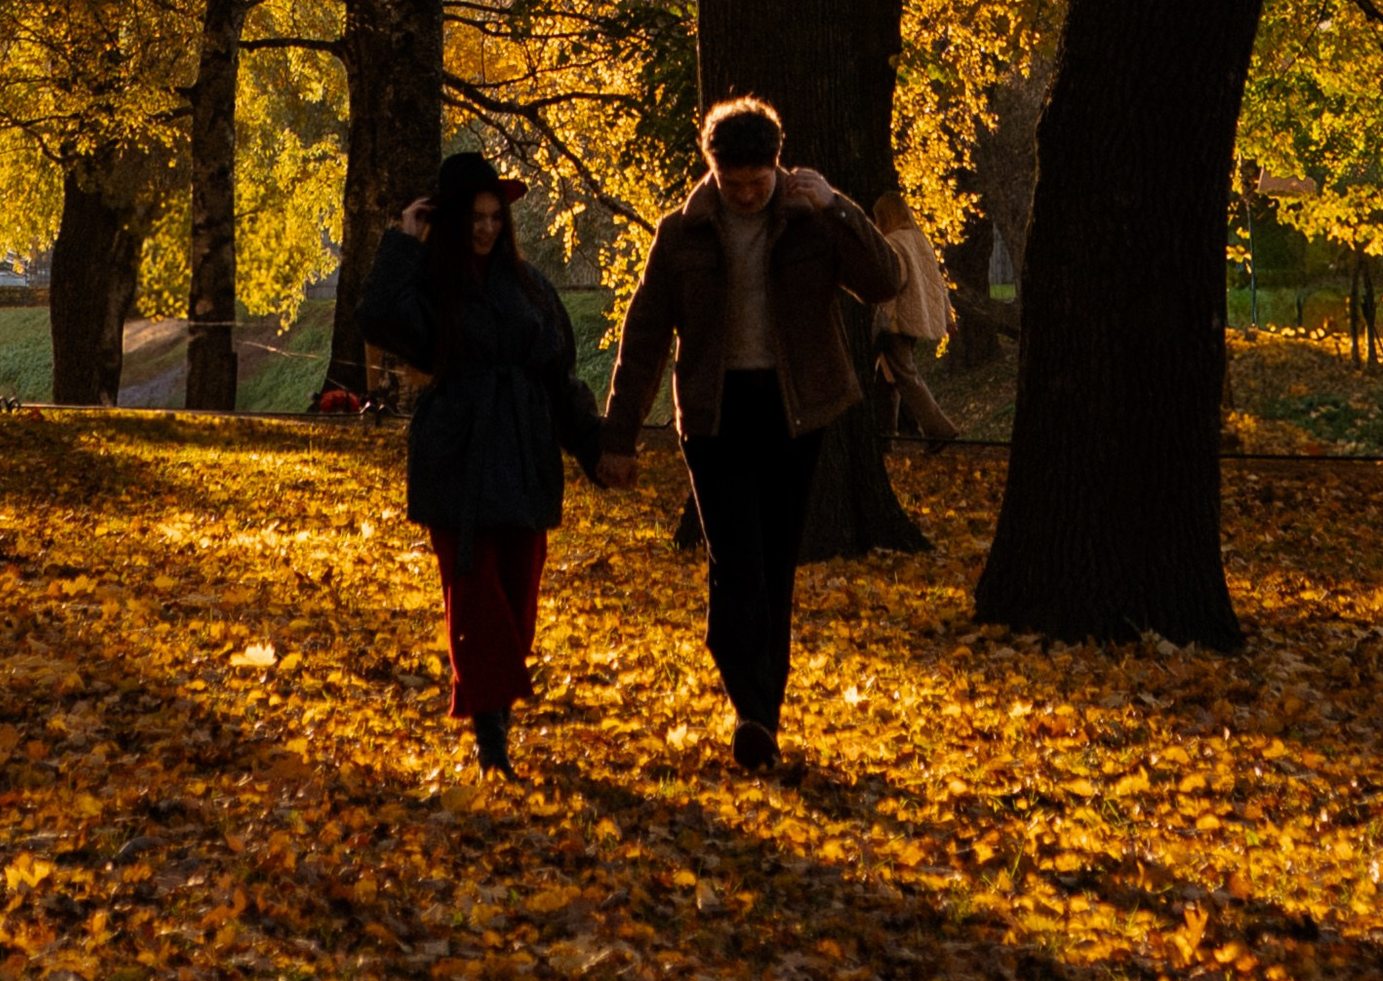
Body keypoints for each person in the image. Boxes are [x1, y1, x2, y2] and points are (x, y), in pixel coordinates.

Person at [597, 94, 900, 774]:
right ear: (712, 172)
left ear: (777, 168)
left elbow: (887, 281)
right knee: (736, 565)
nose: (743, 195)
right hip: (714, 415)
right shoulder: (682, 234)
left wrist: (840, 206)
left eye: (756, 183)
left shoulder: (812, 221)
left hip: (796, 414)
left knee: (774, 569)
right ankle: (750, 705)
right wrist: (619, 436)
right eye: (731, 184)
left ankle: (762, 716)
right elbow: (643, 338)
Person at [360, 152, 612, 775]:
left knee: (518, 597)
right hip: (459, 458)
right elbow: (379, 317)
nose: (486, 228)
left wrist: (597, 448)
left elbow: (560, 377)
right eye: (474, 217)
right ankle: (491, 739)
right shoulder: (429, 286)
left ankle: (494, 719)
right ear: (449, 220)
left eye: (495, 217)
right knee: (474, 600)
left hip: (525, 456)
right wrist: (401, 239)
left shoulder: (532, 288)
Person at [870, 186, 960, 448]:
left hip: (897, 321)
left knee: (904, 375)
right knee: (887, 379)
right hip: (914, 320)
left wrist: (883, 318)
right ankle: (886, 437)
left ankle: (940, 429)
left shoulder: (894, 242)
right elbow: (937, 284)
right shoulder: (919, 240)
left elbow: (893, 283)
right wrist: (947, 317)